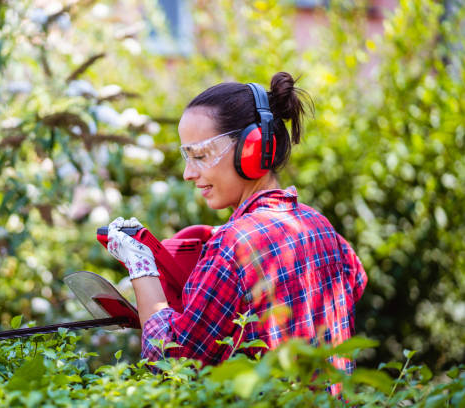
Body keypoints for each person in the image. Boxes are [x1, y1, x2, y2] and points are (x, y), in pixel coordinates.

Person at [106, 72, 367, 376]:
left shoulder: (233, 246)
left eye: (200, 156)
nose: (188, 173)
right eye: (186, 157)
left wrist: (142, 267)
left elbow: (171, 363)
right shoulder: (318, 224)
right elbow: (355, 280)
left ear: (253, 149)